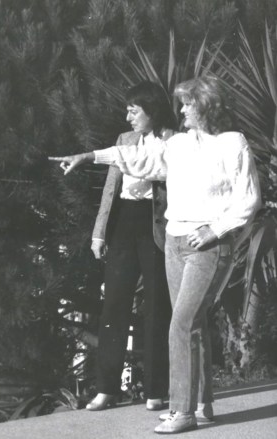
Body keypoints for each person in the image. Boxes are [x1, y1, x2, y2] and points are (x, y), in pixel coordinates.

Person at [49, 75, 261, 434]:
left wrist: (215, 229)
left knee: (181, 323)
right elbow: (135, 157)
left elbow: (249, 199)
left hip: (207, 245)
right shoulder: (177, 145)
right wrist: (88, 157)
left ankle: (182, 411)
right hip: (174, 243)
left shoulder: (231, 143)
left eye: (187, 104)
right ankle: (202, 404)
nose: (180, 110)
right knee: (191, 326)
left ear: (205, 105)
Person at [85, 81, 174, 413]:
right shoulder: (124, 141)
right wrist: (99, 233)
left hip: (157, 227)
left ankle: (156, 390)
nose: (128, 117)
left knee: (156, 309)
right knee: (113, 307)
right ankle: (106, 389)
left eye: (134, 111)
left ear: (151, 110)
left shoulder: (175, 141)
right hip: (123, 225)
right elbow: (110, 189)